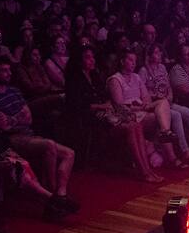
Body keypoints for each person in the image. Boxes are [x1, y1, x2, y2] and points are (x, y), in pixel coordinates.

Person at [0, 57, 78, 203]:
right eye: (4, 70)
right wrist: (17, 118)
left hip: (28, 134)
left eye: (9, 70)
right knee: (49, 145)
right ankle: (53, 196)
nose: (9, 73)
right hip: (12, 138)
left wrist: (11, 119)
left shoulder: (14, 91)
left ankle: (60, 193)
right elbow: (3, 126)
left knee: (69, 154)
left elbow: (28, 118)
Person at [65, 45, 162, 182]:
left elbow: (106, 98)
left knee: (136, 125)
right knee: (130, 127)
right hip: (91, 118)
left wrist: (107, 104)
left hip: (107, 112)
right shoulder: (75, 80)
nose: (92, 60)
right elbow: (77, 105)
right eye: (88, 57)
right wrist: (101, 106)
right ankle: (143, 171)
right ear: (79, 60)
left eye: (92, 57)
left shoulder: (94, 75)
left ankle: (147, 169)